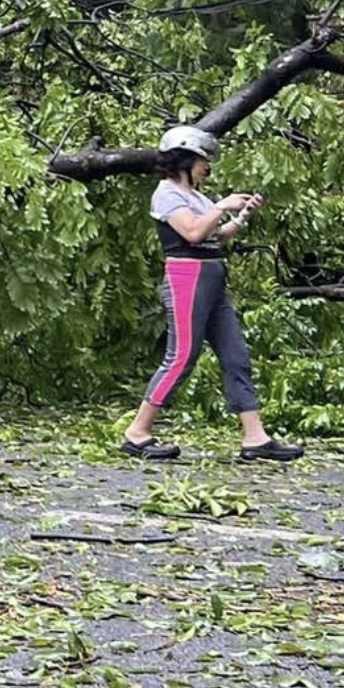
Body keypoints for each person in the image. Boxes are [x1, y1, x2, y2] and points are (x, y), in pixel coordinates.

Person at [121, 123, 301, 463]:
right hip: (187, 276)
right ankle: (137, 432)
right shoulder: (167, 193)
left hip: (213, 274)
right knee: (181, 357)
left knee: (235, 354)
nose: (208, 165)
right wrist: (222, 207)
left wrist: (241, 215)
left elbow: (214, 237)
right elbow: (191, 233)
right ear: (185, 156)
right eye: (204, 158)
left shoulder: (197, 196)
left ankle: (255, 437)